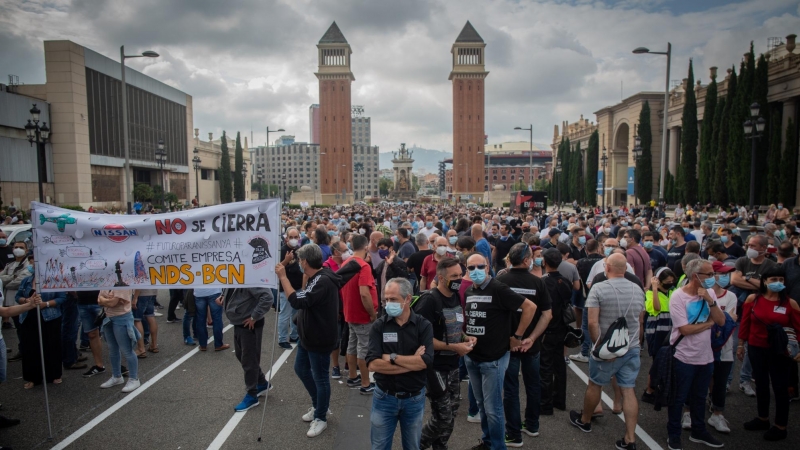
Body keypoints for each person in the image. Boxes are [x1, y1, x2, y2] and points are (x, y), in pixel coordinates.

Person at [569, 254, 644, 450]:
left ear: (607, 267)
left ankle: (585, 420)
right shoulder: (637, 289)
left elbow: (592, 322)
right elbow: (640, 320)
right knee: (628, 389)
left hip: (606, 348)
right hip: (631, 346)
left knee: (595, 384)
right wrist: (636, 342)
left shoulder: (599, 288)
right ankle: (630, 438)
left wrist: (597, 346)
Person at [463, 253, 536, 449]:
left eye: (480, 267)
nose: (476, 271)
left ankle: (497, 446)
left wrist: (518, 336)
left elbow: (529, 307)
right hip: (472, 357)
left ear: (488, 267)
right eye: (471, 268)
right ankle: (488, 442)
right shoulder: (469, 291)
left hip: (493, 359)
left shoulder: (498, 288)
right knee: (481, 405)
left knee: (493, 409)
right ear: (466, 270)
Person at [279, 243, 341, 436]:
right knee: (301, 369)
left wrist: (283, 277)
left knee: (320, 377)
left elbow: (298, 300)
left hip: (319, 338)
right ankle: (319, 405)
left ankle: (321, 417)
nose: (298, 263)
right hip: (308, 336)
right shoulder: (316, 278)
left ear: (305, 261)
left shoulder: (322, 281)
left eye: (299, 260)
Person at [666, 259, 727, 450]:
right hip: (683, 356)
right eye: (709, 275)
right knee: (679, 398)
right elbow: (684, 329)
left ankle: (698, 431)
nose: (713, 278)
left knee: (700, 397)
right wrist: (709, 324)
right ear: (695, 276)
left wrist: (710, 301)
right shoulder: (678, 297)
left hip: (705, 356)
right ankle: (674, 434)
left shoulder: (708, 293)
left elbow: (722, 321)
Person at [367, 278, 434, 450]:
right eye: (386, 299)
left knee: (412, 446)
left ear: (408, 299)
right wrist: (412, 362)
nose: (388, 304)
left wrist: (391, 357)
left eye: (393, 299)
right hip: (384, 397)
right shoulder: (379, 326)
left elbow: (426, 361)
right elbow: (373, 364)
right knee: (379, 446)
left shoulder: (423, 325)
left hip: (414, 399)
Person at [417, 258, 476, 450]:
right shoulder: (429, 300)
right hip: (435, 366)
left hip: (453, 366)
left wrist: (465, 338)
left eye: (460, 275)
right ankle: (417, 444)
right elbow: (421, 339)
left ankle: (440, 446)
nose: (459, 279)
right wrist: (453, 347)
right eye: (454, 276)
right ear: (441, 278)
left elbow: (455, 327)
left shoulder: (456, 295)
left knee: (452, 411)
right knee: (443, 415)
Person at [497, 243, 552, 447]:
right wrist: (533, 337)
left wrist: (514, 338)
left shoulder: (500, 280)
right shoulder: (538, 282)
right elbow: (547, 314)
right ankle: (532, 425)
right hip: (531, 345)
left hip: (508, 344)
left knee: (510, 389)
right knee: (532, 385)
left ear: (510, 259)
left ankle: (513, 434)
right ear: (527, 260)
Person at [737, 266, 800, 441]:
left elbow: (798, 327)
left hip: (780, 351)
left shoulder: (790, 303)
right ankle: (763, 418)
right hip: (757, 348)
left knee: (780, 387)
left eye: (781, 280)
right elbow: (745, 324)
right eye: (773, 280)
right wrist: (741, 344)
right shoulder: (753, 299)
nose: (778, 283)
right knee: (761, 384)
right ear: (764, 281)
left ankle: (781, 426)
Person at [223, 285, 274, 412]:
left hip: (249, 324)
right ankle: (261, 382)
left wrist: (254, 316)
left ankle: (252, 394)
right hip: (238, 322)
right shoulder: (236, 274)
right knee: (241, 355)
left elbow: (268, 297)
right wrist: (223, 297)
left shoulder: (251, 277)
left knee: (249, 360)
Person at [16, 257, 66, 389]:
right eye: (32, 261)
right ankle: (33, 377)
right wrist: (26, 301)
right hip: (28, 316)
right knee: (30, 347)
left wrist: (46, 304)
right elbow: (17, 297)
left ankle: (54, 375)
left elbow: (62, 298)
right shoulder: (26, 280)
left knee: (52, 345)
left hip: (49, 317)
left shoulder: (54, 280)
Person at [340, 234, 378, 394]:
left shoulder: (347, 262)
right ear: (366, 246)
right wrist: (372, 313)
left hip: (350, 311)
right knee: (364, 348)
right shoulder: (363, 266)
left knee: (352, 344)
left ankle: (352, 376)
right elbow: (364, 293)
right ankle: (365, 382)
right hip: (362, 314)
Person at [707, 261, 737, 434]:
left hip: (724, 348)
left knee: (720, 381)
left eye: (727, 274)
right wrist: (722, 318)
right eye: (722, 273)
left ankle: (718, 413)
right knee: (702, 380)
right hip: (703, 347)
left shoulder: (730, 296)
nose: (726, 277)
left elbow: (727, 322)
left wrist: (720, 319)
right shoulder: (702, 294)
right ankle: (690, 411)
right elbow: (723, 319)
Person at [97, 289, 141, 393]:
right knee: (112, 349)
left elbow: (112, 302)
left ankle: (134, 379)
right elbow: (99, 300)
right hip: (108, 318)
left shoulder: (122, 283)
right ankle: (116, 376)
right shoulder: (106, 282)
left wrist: (105, 300)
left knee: (127, 350)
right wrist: (107, 300)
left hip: (122, 318)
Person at [1, 241, 31, 361]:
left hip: (20, 303)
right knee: (19, 329)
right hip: (9, 301)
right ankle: (22, 349)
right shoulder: (10, 265)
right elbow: (1, 280)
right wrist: (11, 277)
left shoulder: (28, 265)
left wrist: (6, 282)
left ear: (27, 250)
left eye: (21, 247)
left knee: (24, 328)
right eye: (16, 247)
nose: (18, 249)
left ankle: (26, 350)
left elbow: (20, 281)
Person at [277, 227, 303, 350]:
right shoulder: (282, 250)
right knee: (285, 314)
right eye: (291, 237)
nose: (293, 240)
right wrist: (286, 260)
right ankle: (282, 339)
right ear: (286, 238)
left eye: (295, 237)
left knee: (296, 313)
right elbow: (277, 268)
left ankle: (294, 335)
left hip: (298, 287)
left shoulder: (299, 250)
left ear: (299, 238)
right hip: (286, 288)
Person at [192, 286, 229, 352]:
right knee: (217, 319)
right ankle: (218, 344)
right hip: (214, 291)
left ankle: (203, 345)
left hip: (199, 293)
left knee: (200, 320)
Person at [132, 289, 159, 357]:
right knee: (150, 316)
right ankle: (154, 345)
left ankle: (141, 349)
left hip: (141, 294)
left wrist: (135, 297)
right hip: (152, 292)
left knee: (137, 320)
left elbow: (139, 283)